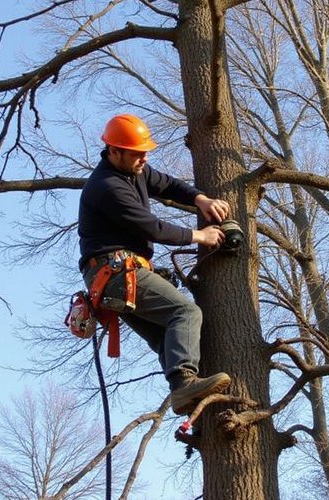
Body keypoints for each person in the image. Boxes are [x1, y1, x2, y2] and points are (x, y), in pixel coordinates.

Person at [78, 113, 232, 415]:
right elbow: (152, 227)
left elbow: (168, 185)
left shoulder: (136, 171)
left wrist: (199, 199)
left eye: (145, 152)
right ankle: (185, 384)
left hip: (116, 276)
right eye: (137, 153)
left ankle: (183, 392)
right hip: (114, 272)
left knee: (167, 336)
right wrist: (199, 235)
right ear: (114, 151)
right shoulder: (107, 186)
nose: (143, 159)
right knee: (185, 312)